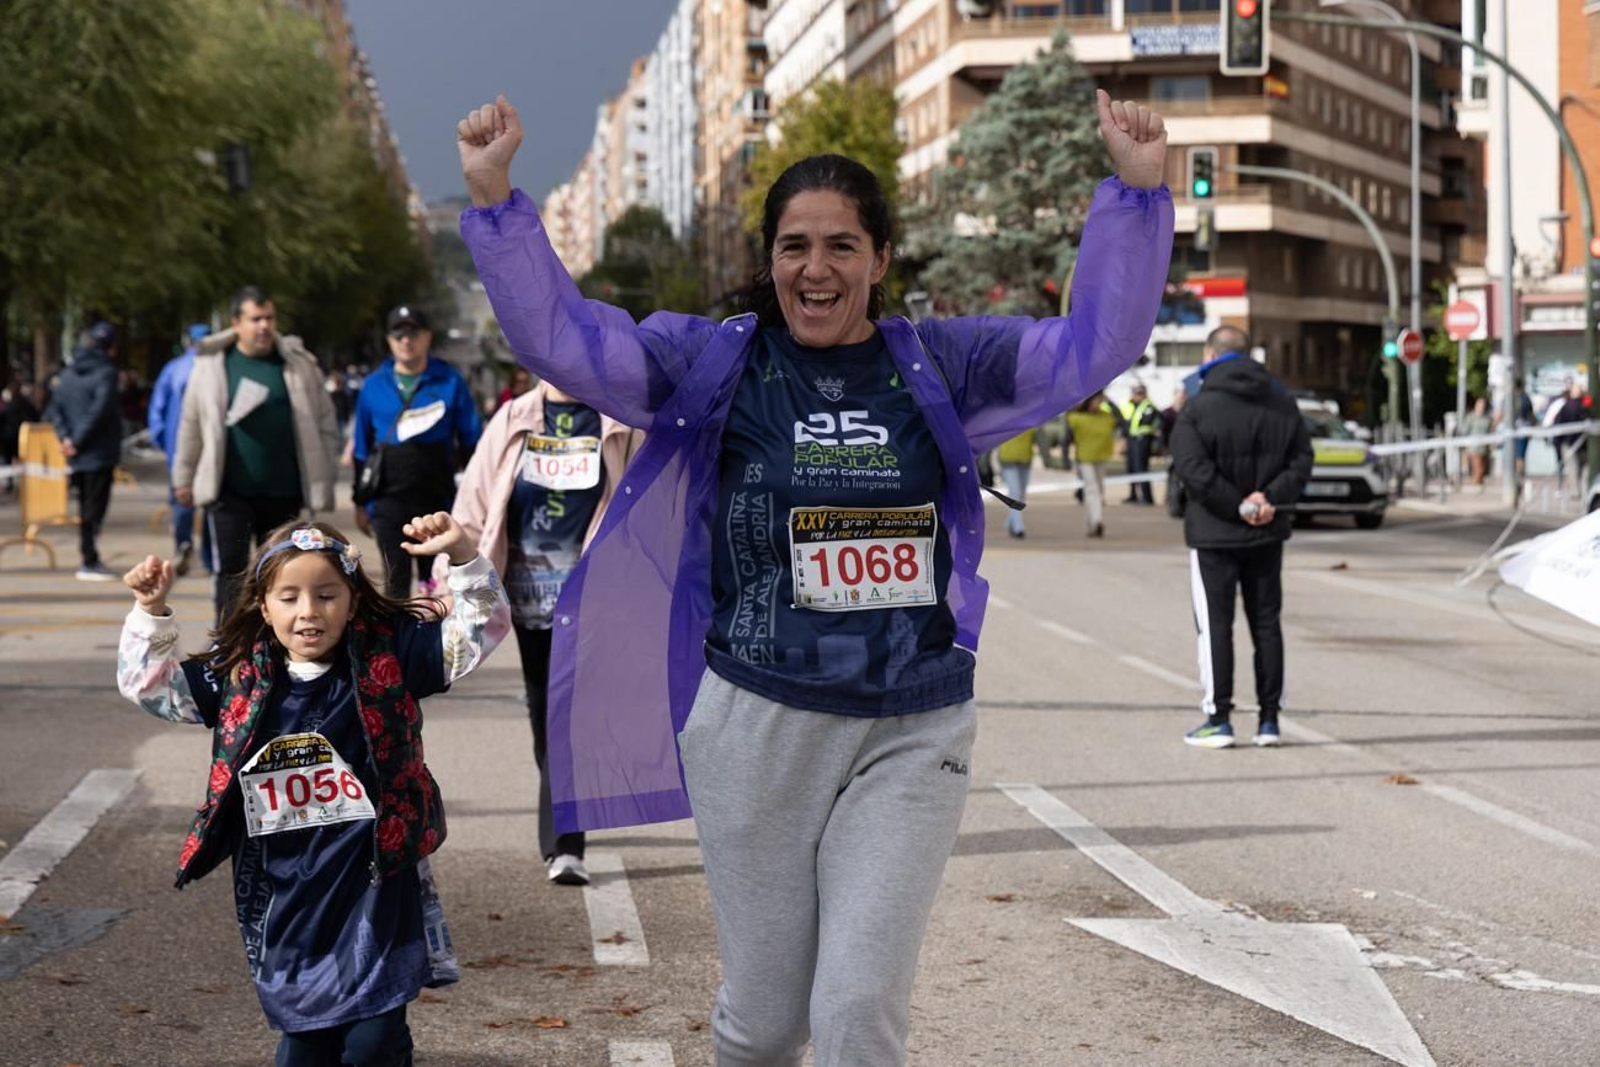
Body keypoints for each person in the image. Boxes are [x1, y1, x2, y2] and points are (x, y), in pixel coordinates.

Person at [457, 90, 1172, 1064]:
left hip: (912, 728)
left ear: (880, 259)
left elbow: (1091, 347)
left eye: (842, 246)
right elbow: (567, 343)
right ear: (771, 260)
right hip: (756, 724)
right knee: (764, 1020)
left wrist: (1134, 197)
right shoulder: (716, 365)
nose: (816, 267)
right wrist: (497, 203)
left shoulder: (944, 367)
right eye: (795, 245)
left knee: (856, 1010)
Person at [115, 513, 510, 1066]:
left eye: (326, 595)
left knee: (372, 1041)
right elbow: (153, 687)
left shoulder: (388, 658)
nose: (308, 612)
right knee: (304, 1046)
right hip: (286, 890)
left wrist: (465, 556)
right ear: (261, 604)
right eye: (289, 596)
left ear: (352, 599)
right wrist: (151, 612)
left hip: (373, 878)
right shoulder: (239, 676)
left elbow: (480, 631)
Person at [446, 379, 644, 885]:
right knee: (545, 715)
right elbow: (473, 505)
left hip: (592, 601)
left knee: (568, 716)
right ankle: (562, 810)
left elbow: (648, 495)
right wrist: (457, 579)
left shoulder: (617, 420)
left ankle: (565, 846)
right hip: (526, 600)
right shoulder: (512, 420)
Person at [1170, 326, 1313, 750]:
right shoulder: (1283, 403)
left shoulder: (1197, 408)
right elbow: (1303, 459)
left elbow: (1193, 471)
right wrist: (1268, 500)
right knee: (1266, 623)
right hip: (1267, 531)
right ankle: (1269, 721)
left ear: (1210, 353)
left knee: (1216, 627)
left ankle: (1219, 719)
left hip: (1214, 534)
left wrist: (1237, 506)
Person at [173, 286, 342, 621]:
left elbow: (326, 422)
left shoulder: (297, 363)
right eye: (255, 319)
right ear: (237, 323)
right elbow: (191, 423)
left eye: (269, 318)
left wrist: (326, 474)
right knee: (231, 572)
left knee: (283, 573)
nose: (264, 326)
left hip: (284, 491)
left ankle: (274, 645)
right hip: (229, 492)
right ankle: (229, 645)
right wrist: (183, 477)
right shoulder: (212, 365)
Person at [351, 305, 483, 600]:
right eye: (399, 334)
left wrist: (473, 496)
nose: (406, 341)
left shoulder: (450, 381)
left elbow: (472, 441)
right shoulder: (373, 386)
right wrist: (361, 503)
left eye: (413, 334)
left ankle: (430, 643)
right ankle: (395, 645)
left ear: (427, 337)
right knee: (395, 584)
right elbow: (362, 448)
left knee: (435, 584)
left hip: (436, 501)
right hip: (388, 502)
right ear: (389, 340)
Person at [45, 322, 123, 580]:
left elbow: (55, 409)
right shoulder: (107, 373)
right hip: (98, 452)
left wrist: (66, 438)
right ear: (110, 347)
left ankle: (88, 555)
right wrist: (76, 440)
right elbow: (98, 411)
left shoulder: (67, 373)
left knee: (84, 507)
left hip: (76, 454)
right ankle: (89, 559)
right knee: (94, 509)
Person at [148, 323, 215, 575]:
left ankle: (183, 544)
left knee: (181, 498)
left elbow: (158, 409)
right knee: (212, 501)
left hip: (179, 446)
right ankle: (210, 556)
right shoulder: (217, 369)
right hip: (211, 447)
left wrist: (163, 441)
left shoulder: (173, 369)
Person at [1067, 392, 1117, 538]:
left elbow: (1121, 419)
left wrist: (1109, 400)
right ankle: (1097, 521)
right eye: (1096, 400)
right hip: (1085, 459)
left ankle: (1092, 523)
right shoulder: (1077, 418)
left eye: (1100, 401)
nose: (1099, 404)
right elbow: (1067, 437)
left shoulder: (1105, 417)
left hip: (1101, 457)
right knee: (1092, 490)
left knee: (1099, 491)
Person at [1118, 381, 1159, 504]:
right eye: (1136, 393)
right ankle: (1133, 495)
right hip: (1132, 441)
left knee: (1141, 468)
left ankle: (1147, 497)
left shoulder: (1148, 407)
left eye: (1139, 393)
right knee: (1131, 468)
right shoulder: (1131, 405)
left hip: (1142, 441)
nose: (1137, 396)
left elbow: (1148, 423)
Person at [995, 427, 1039, 538]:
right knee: (1015, 493)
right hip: (1008, 460)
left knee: (1021, 494)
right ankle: (1018, 528)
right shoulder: (1005, 420)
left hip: (1025, 460)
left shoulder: (1032, 419)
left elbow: (1040, 437)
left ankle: (1011, 521)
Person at [1545, 381, 1589, 493]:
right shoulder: (1584, 406)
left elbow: (1557, 423)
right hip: (1581, 444)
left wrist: (1558, 441)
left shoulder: (1567, 406)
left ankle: (1575, 493)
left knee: (1572, 469)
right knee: (1583, 470)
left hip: (1569, 444)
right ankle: (1583, 492)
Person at [1458, 394, 1494, 490]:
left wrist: (1491, 444)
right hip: (1474, 446)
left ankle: (1478, 484)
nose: (1481, 407)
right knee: (1477, 466)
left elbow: (1490, 432)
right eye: (1479, 405)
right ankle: (1476, 484)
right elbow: (1465, 430)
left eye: (1483, 405)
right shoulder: (1471, 417)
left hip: (1485, 447)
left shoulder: (1487, 418)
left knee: (1483, 467)